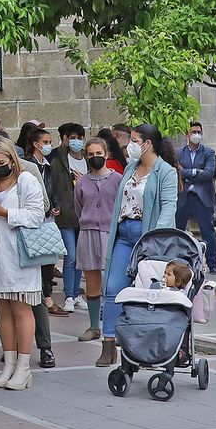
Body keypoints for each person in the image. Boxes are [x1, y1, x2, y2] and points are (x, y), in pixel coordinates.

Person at [98, 124, 178, 369]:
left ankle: (144, 342)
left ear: (148, 144)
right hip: (124, 233)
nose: (128, 145)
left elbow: (168, 206)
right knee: (112, 286)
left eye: (134, 140)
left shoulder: (165, 171)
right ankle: (108, 342)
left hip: (148, 235)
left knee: (146, 290)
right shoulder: (131, 167)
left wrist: (155, 238)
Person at [0, 137, 47, 390]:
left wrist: (5, 213)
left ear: (12, 160)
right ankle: (8, 362)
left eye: (2, 162)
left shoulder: (25, 180)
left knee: (20, 309)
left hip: (18, 254)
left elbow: (38, 215)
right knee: (2, 310)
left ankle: (24, 367)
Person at [15, 123, 56, 368]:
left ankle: (45, 347)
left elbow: (44, 203)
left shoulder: (29, 169)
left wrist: (12, 214)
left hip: (29, 240)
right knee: (8, 302)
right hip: (2, 247)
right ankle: (15, 348)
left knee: (37, 294)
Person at [75, 137, 121, 345]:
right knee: (92, 282)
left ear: (106, 154)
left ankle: (116, 327)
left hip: (110, 233)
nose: (95, 157)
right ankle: (94, 326)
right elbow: (79, 207)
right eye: (91, 154)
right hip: (87, 233)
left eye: (98, 154)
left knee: (112, 283)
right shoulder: (82, 182)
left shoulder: (118, 179)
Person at [48, 122, 87, 314]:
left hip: (85, 215)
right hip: (65, 215)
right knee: (70, 256)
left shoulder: (89, 160)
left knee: (81, 257)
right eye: (73, 138)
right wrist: (57, 206)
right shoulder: (58, 162)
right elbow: (53, 187)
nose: (77, 142)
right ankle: (69, 295)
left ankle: (77, 293)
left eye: (80, 138)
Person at [176, 121, 216, 273]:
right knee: (178, 231)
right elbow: (177, 171)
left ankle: (213, 263)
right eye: (193, 131)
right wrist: (196, 172)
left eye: (199, 132)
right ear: (187, 134)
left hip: (202, 198)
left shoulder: (208, 152)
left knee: (208, 231)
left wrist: (187, 172)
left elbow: (209, 173)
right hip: (184, 196)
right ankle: (178, 261)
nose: (196, 134)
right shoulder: (179, 153)